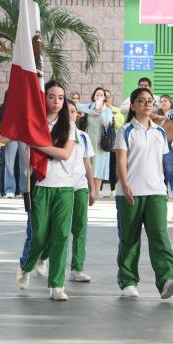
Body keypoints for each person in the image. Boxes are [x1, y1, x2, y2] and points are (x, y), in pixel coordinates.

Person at [12, 80, 78, 301]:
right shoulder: (35, 125)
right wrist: (31, 139)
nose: (56, 101)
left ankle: (56, 284)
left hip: (65, 188)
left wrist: (37, 144)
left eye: (60, 97)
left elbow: (65, 154)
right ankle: (26, 265)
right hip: (40, 186)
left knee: (60, 236)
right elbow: (26, 154)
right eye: (51, 96)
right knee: (38, 237)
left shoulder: (70, 126)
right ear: (44, 98)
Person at [114, 87, 173, 299]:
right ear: (133, 106)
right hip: (131, 191)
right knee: (129, 238)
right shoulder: (125, 130)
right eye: (141, 101)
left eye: (150, 101)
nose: (147, 104)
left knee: (160, 235)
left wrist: (161, 186)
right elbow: (121, 160)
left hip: (156, 193)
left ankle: (168, 278)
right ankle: (128, 281)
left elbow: (160, 162)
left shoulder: (159, 131)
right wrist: (125, 186)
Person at [67, 99, 97, 282]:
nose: (70, 114)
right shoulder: (55, 134)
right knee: (57, 228)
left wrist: (92, 188)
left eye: (73, 111)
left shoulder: (83, 137)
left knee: (80, 227)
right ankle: (44, 257)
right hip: (60, 187)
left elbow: (87, 163)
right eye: (67, 111)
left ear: (77, 114)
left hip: (80, 187)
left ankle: (77, 267)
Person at [84, 87, 112, 197]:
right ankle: (88, 189)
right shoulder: (89, 107)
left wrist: (100, 113)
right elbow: (77, 106)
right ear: (94, 96)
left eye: (101, 95)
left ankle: (96, 191)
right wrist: (91, 111)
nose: (99, 97)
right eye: (97, 95)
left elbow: (107, 124)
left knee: (99, 166)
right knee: (88, 164)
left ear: (104, 98)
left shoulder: (107, 110)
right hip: (89, 139)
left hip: (101, 141)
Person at [153, 98, 173, 196]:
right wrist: (159, 117)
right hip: (156, 146)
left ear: (170, 103)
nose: (163, 103)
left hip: (170, 146)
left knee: (170, 169)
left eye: (166, 101)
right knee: (159, 170)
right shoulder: (155, 116)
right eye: (161, 101)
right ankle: (162, 191)